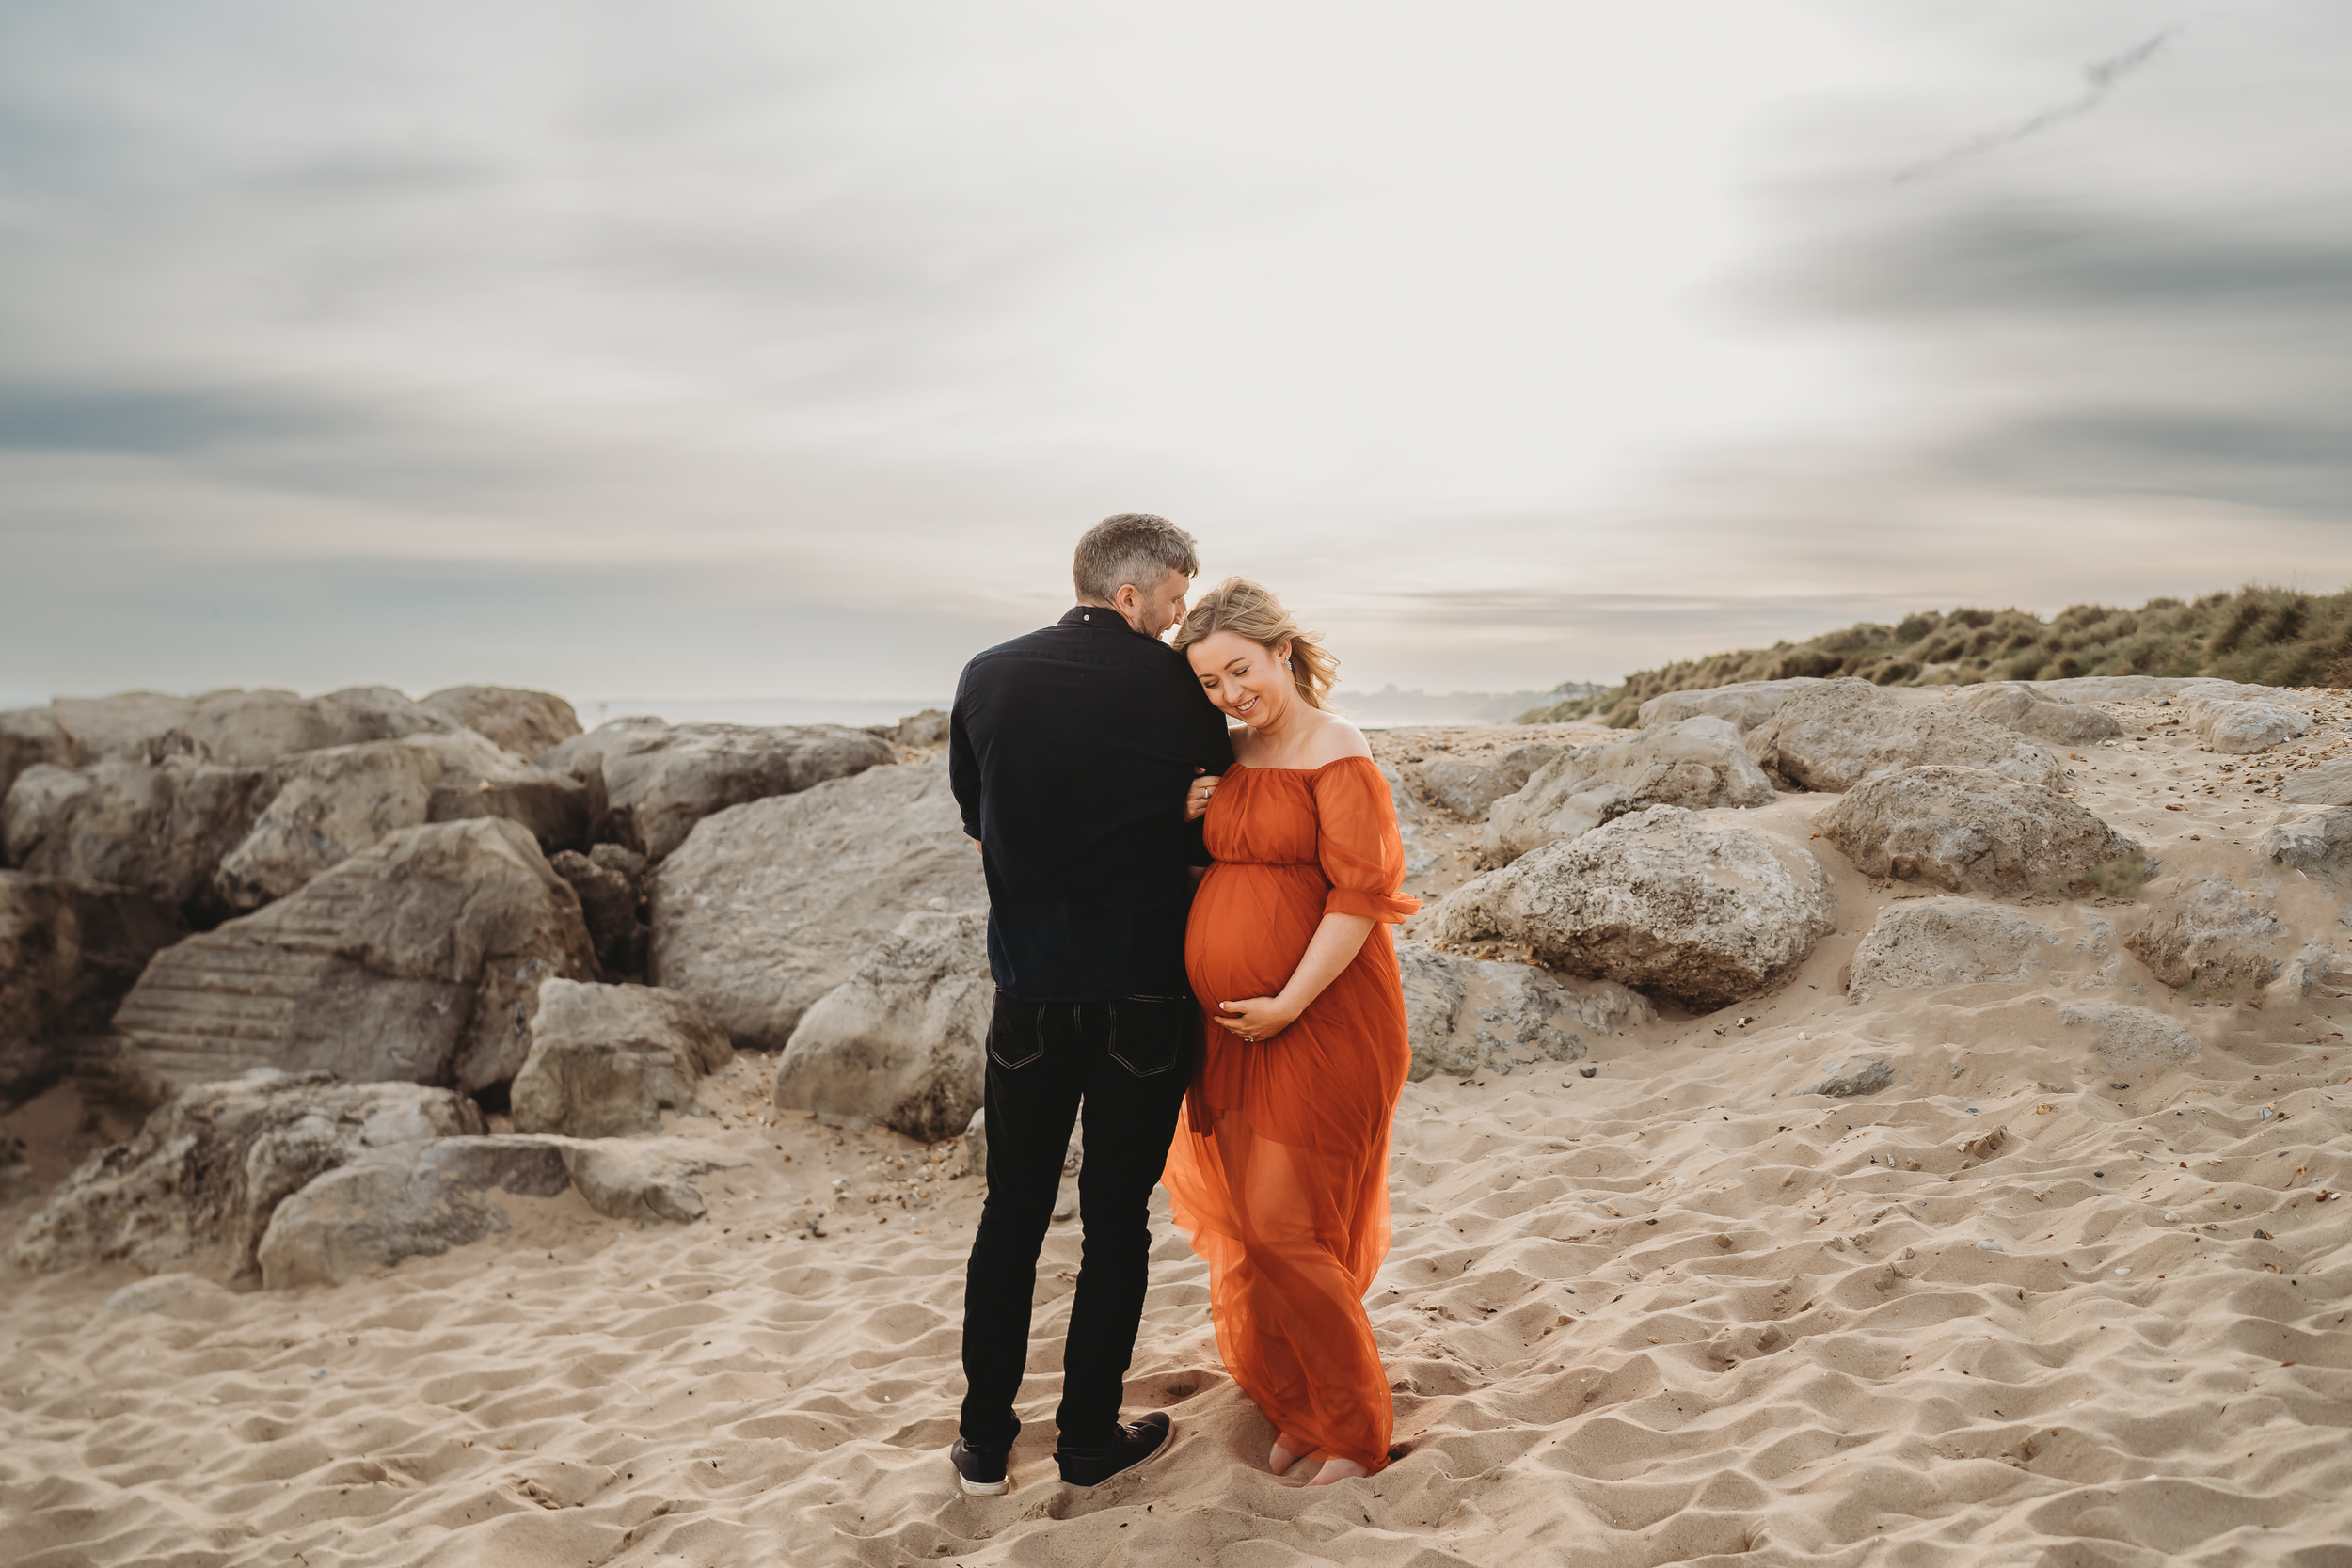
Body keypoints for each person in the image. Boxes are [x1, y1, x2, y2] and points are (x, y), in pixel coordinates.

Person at [946, 513, 1234, 1496]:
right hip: (1144, 1000)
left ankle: (982, 1443)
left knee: (1010, 1217)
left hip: (1028, 997)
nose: (1178, 615)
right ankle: (1082, 1439)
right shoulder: (1178, 685)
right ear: (1128, 594)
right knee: (1116, 1224)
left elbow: (979, 828)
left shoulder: (985, 674)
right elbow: (1211, 831)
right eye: (1173, 596)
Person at [1161, 577, 1418, 1486]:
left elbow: (1361, 897)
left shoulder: (1336, 747)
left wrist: (1289, 1002)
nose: (1231, 693)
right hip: (1234, 1030)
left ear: (1281, 651)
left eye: (1240, 669)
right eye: (1209, 682)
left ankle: (1354, 1431)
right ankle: (1301, 1407)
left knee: (1287, 1230)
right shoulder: (1227, 755)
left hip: (1323, 1019)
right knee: (1253, 1225)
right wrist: (1194, 810)